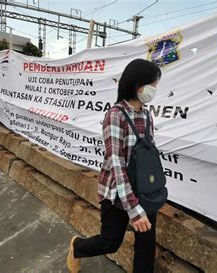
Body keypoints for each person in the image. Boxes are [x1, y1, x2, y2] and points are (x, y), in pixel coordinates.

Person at [66, 59, 162, 273]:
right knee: (111, 242)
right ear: (137, 84)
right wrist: (133, 208)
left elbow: (149, 154)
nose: (155, 88)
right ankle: (77, 247)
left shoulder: (147, 115)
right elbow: (117, 165)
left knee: (146, 246)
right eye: (152, 83)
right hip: (117, 192)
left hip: (144, 190)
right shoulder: (115, 115)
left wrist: (154, 186)